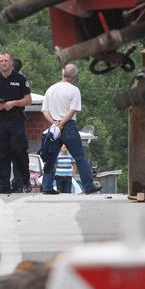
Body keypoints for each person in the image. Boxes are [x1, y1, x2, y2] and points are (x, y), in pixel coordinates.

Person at [41, 64, 102, 195]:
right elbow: (72, 110)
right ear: (74, 76)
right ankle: (88, 185)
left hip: (54, 126)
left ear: (62, 73)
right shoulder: (74, 90)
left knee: (51, 158)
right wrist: (62, 123)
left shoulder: (50, 89)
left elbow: (44, 110)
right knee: (79, 157)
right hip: (68, 126)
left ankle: (46, 186)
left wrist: (55, 123)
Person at [0, 52, 32, 194]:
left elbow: (28, 100)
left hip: (16, 118)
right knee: (2, 152)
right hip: (1, 119)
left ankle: (25, 181)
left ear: (11, 63)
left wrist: (14, 103)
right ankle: (3, 184)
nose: (3, 63)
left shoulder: (20, 79)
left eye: (6, 60)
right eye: (1, 61)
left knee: (19, 151)